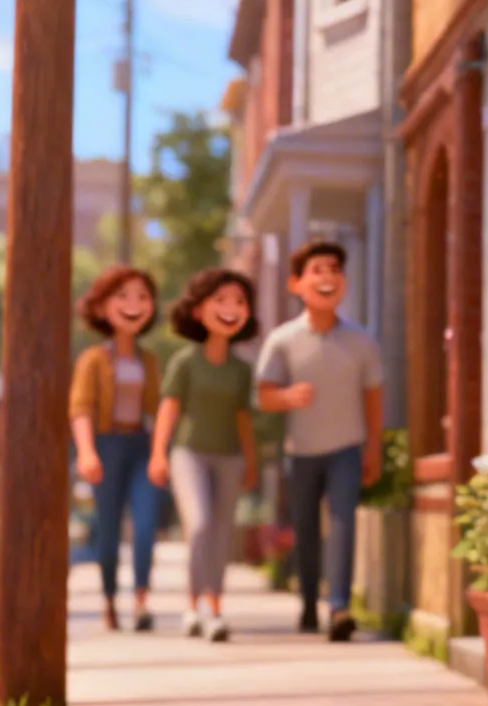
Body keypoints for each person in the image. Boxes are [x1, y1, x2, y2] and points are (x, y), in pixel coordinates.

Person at [256, 241, 384, 641]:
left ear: (343, 282)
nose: (327, 277)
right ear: (297, 283)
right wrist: (288, 397)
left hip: (347, 448)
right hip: (301, 453)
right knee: (307, 531)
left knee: (344, 523)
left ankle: (339, 606)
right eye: (317, 270)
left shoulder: (362, 342)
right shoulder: (282, 339)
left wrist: (374, 447)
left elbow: (374, 397)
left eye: (335, 269)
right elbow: (262, 395)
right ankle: (310, 602)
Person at [150, 269, 260, 642]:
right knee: (199, 526)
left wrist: (251, 459)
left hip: (229, 455)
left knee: (222, 532)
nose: (231, 308)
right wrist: (158, 455)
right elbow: (169, 408)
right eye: (221, 300)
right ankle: (199, 604)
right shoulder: (185, 362)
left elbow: (243, 417)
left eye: (239, 302)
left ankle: (212, 606)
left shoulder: (242, 369)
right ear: (198, 311)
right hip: (188, 454)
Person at [69, 266, 162, 632]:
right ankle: (109, 600)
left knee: (146, 522)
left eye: (142, 297)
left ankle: (141, 601)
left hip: (140, 444)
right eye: (123, 297)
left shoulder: (149, 360)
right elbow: (80, 408)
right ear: (103, 306)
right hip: (106, 446)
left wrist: (161, 451)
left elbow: (159, 409)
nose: (133, 305)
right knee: (107, 530)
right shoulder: (93, 359)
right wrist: (87, 452)